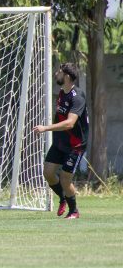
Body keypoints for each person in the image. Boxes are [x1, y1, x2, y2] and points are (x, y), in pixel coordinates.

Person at [33, 62, 89, 219]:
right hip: (60, 143)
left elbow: (70, 123)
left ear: (67, 76)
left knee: (65, 178)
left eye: (59, 71)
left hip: (75, 145)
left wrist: (45, 128)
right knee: (48, 173)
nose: (56, 73)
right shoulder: (62, 93)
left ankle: (74, 211)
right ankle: (63, 198)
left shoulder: (77, 97)